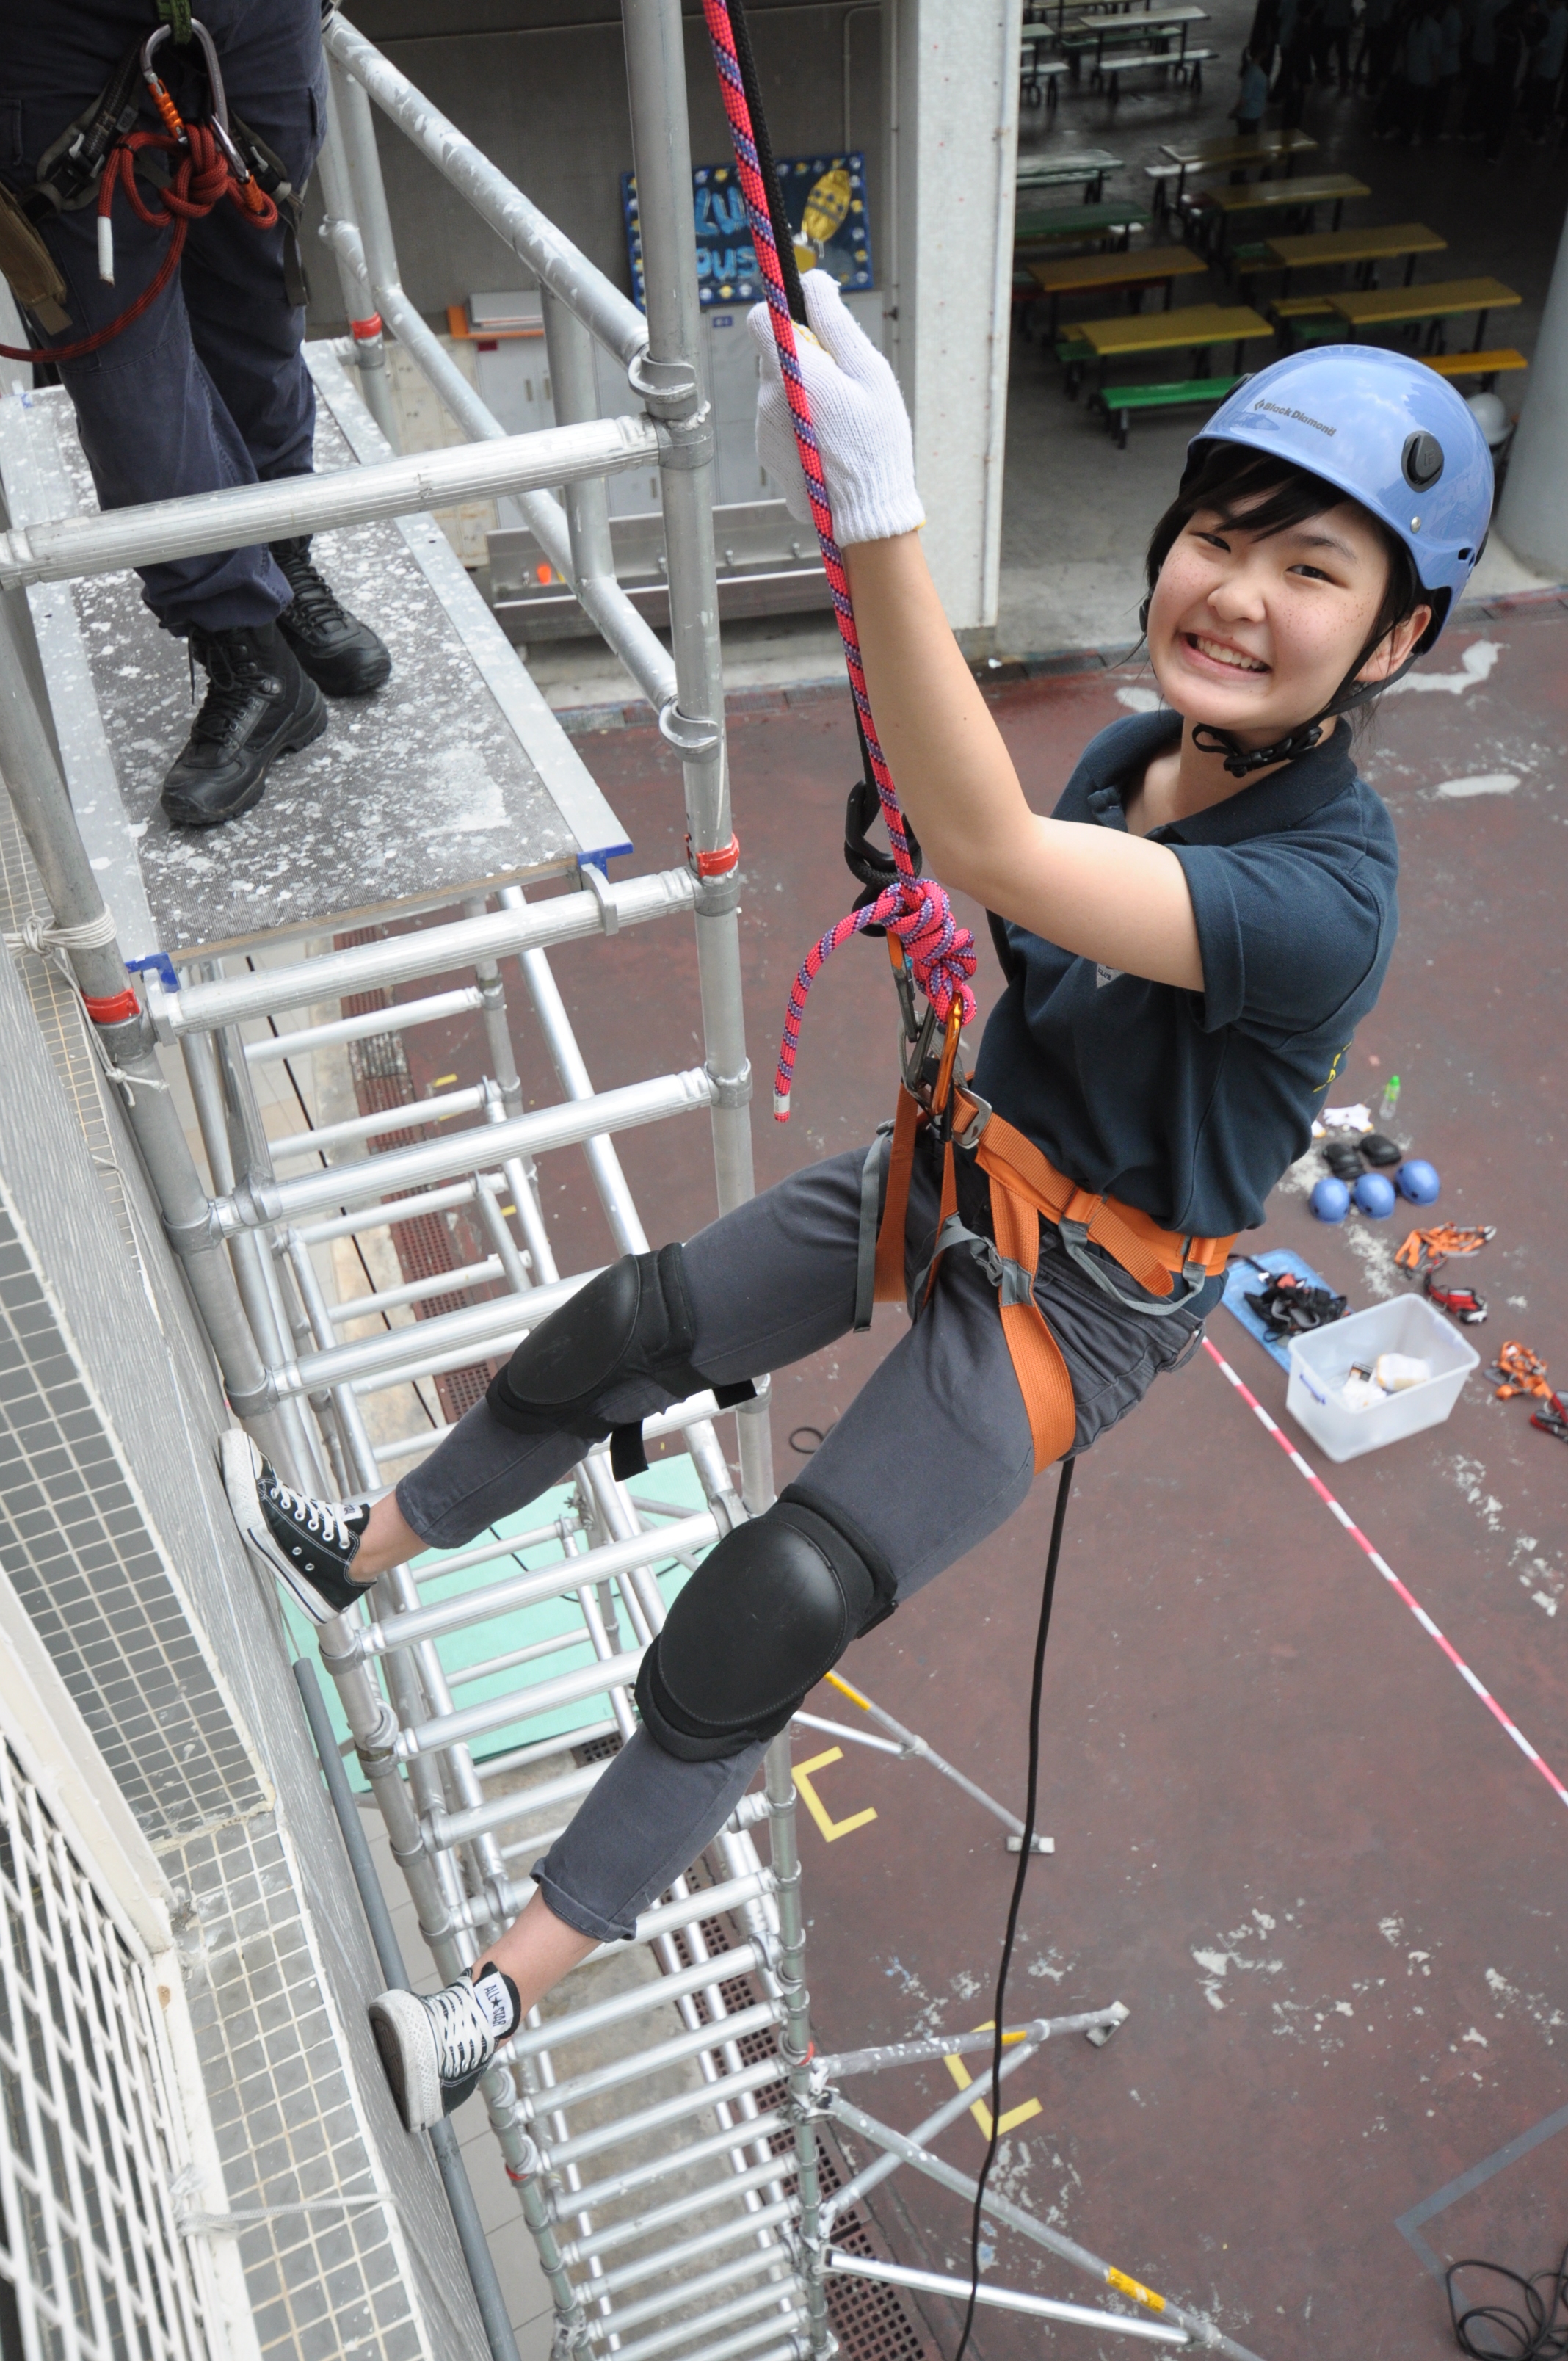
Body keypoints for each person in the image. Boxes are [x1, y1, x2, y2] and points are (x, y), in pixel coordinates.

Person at [225, 311, 1493, 2133]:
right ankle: (358, 1552)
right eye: (1219, 539)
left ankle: (500, 1999)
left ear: (1397, 638)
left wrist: (875, 515)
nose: (1235, 594)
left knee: (776, 1603)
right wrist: (940, 899)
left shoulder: (1326, 893)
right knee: (620, 1330)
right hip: (967, 1154)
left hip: (1089, 1301)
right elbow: (1022, 896)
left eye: (1310, 569)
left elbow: (1000, 849)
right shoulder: (1135, 755)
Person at [0, 2, 392, 829]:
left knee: (257, 320)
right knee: (125, 384)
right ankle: (245, 651)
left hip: (252, 19)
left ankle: (281, 562)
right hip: (54, 29)